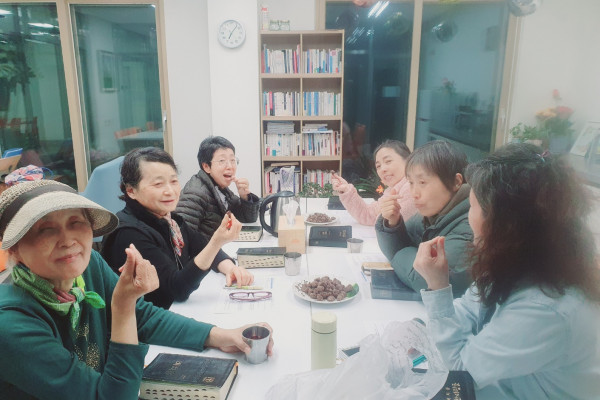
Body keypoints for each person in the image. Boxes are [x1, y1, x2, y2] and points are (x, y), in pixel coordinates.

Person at [0, 179, 274, 399]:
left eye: (76, 222)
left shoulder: (88, 265)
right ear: (15, 250)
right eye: (45, 230)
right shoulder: (11, 324)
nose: (68, 240)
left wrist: (221, 336)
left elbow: (143, 317)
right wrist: (123, 306)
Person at [413, 143, 600, 398]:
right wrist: (424, 330)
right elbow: (468, 310)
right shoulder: (522, 261)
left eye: (472, 207)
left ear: (504, 224)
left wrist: (437, 287)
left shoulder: (546, 307)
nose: (468, 218)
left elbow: (460, 374)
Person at [102, 147, 253, 309]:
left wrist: (230, 268)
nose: (170, 191)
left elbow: (202, 246)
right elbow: (176, 289)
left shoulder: (168, 219)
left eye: (173, 181)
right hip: (142, 320)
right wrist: (217, 242)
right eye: (158, 184)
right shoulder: (129, 233)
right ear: (131, 190)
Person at [376, 140, 473, 297]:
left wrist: (397, 253)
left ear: (456, 182)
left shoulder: (471, 224)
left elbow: (426, 280)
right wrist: (392, 223)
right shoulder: (431, 212)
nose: (414, 193)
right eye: (411, 183)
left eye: (422, 182)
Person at [176, 136, 260, 242]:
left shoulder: (221, 188)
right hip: (206, 251)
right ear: (206, 167)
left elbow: (248, 219)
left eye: (232, 160)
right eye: (222, 161)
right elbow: (181, 240)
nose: (230, 166)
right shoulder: (195, 193)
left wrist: (244, 197)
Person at [331, 139, 418, 225]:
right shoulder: (392, 190)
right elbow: (367, 215)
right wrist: (346, 190)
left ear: (408, 161)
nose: (382, 169)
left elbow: (388, 224)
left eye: (388, 161)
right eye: (378, 166)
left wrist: (380, 215)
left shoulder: (411, 187)